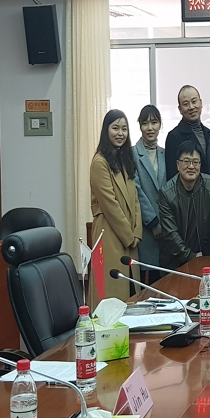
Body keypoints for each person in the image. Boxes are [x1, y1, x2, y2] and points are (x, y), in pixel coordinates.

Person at [90, 109, 142, 302]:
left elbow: (135, 199)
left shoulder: (124, 159)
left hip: (129, 237)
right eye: (115, 128)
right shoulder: (99, 162)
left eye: (124, 129)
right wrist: (129, 236)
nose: (120, 133)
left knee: (131, 291)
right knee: (111, 293)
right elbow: (110, 205)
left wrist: (137, 232)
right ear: (106, 130)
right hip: (110, 234)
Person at [158, 141, 210, 267]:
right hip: (175, 260)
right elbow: (170, 234)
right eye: (186, 161)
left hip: (207, 257)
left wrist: (208, 253)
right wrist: (191, 256)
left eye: (195, 162)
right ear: (177, 165)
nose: (191, 166)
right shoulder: (166, 192)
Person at [132, 105, 167, 284]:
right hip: (145, 227)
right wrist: (153, 222)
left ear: (160, 124)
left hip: (166, 224)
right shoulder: (132, 154)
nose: (150, 128)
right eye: (145, 123)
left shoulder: (164, 153)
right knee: (143, 279)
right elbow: (136, 190)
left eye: (154, 122)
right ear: (139, 126)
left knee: (161, 278)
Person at [164, 85, 210, 180]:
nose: (191, 107)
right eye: (186, 104)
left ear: (201, 103)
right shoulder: (174, 136)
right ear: (180, 109)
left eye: (194, 101)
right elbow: (172, 174)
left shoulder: (209, 134)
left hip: (209, 192)